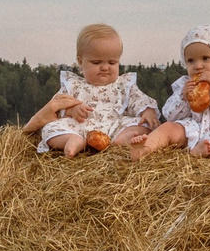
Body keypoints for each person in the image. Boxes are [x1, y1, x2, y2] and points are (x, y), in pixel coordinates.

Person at [28, 23, 159, 156]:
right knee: (49, 129)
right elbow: (56, 106)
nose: (105, 67)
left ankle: (124, 139)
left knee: (145, 125)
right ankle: (74, 141)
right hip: (80, 127)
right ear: (80, 61)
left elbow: (139, 100)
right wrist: (71, 110)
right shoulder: (73, 85)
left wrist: (147, 111)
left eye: (112, 63)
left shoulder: (123, 85)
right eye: (96, 63)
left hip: (115, 126)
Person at [134, 25, 210, 157]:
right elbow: (170, 115)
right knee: (168, 128)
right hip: (192, 129)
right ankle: (144, 149)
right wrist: (183, 97)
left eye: (205, 58)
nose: (198, 66)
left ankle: (206, 149)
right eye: (191, 61)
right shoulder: (184, 84)